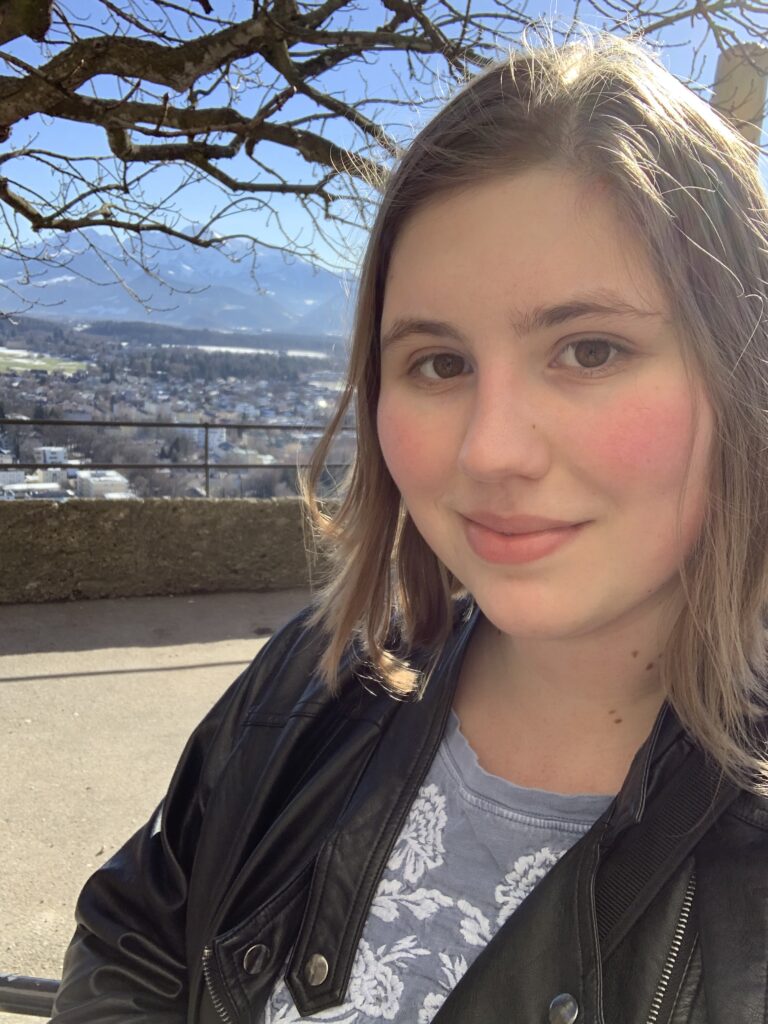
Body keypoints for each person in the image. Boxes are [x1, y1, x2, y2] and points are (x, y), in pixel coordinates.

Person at [51, 26, 768, 1024]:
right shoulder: (315, 680)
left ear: (744, 374)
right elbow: (137, 934)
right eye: (438, 363)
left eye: (590, 349)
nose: (491, 451)